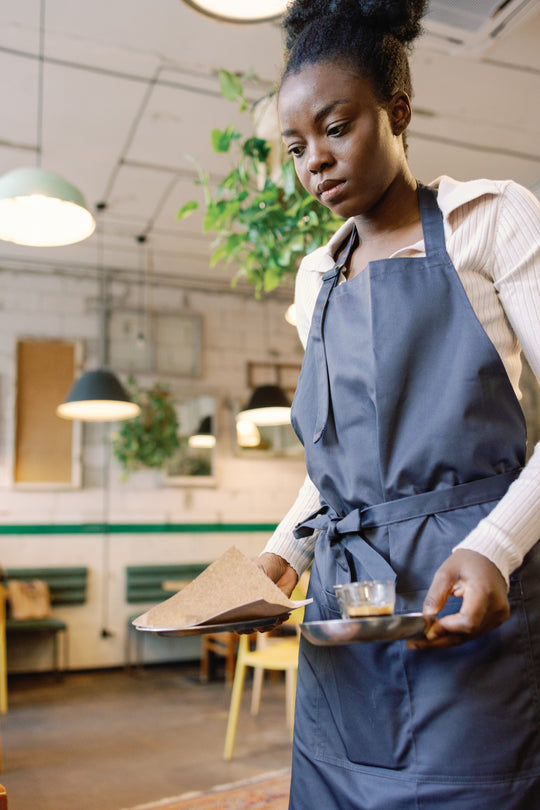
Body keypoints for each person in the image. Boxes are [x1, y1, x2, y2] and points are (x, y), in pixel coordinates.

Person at [255, 1, 540, 807]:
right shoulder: (316, 277)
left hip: (468, 593)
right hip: (349, 614)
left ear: (398, 113)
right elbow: (338, 467)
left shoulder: (490, 220)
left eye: (337, 127)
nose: (315, 161)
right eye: (296, 146)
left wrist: (495, 548)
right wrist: (280, 561)